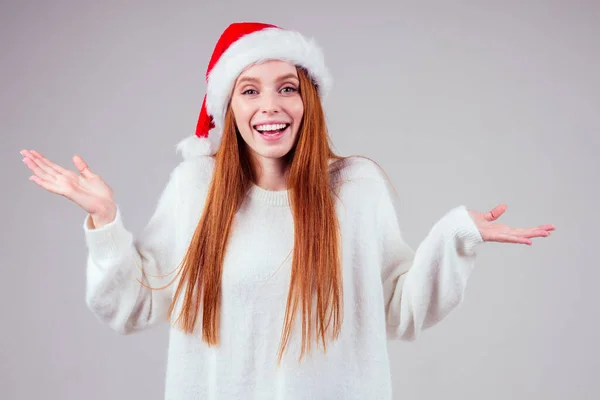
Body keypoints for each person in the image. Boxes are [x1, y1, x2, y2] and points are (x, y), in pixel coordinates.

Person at [20, 22, 555, 400]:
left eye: (287, 89)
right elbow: (131, 307)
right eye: (249, 91)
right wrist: (106, 221)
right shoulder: (195, 188)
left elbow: (399, 311)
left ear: (309, 103)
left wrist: (457, 236)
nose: (269, 106)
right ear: (229, 110)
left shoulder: (356, 188)